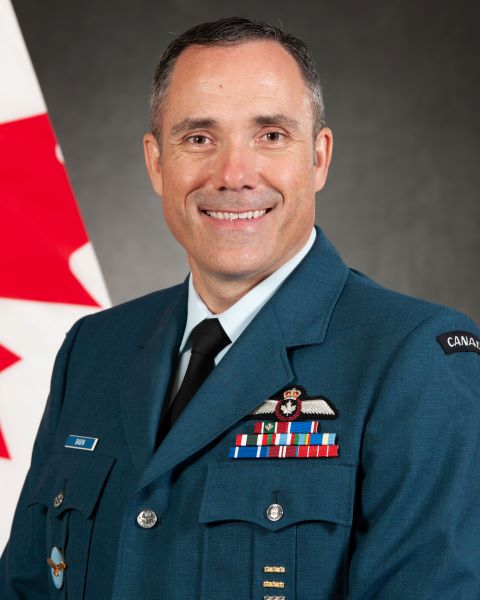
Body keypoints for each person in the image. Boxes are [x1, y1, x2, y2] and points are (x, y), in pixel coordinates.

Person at [1, 16, 479, 599]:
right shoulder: (94, 350)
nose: (233, 175)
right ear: (156, 162)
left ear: (319, 158)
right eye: (199, 138)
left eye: (270, 135)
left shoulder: (413, 359)